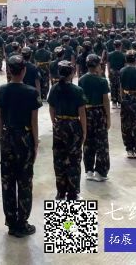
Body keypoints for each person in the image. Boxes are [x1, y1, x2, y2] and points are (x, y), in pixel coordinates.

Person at [0, 54, 41, 238]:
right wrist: (35, 143)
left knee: (7, 181)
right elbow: (34, 121)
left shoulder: (2, 90)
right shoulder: (31, 92)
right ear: (24, 71)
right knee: (24, 180)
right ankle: (22, 222)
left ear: (9, 71)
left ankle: (11, 222)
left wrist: (2, 135)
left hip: (7, 137)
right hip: (24, 137)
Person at [48, 60, 87, 200]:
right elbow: (82, 113)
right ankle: (72, 192)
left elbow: (51, 108)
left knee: (59, 158)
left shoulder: (54, 88)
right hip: (73, 125)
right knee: (74, 159)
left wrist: (55, 122)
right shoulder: (77, 90)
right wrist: (84, 131)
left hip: (59, 124)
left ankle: (60, 191)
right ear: (71, 73)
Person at [79, 54, 111, 182]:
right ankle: (100, 172)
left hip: (86, 112)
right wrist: (108, 117)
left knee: (88, 141)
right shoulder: (102, 81)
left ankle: (89, 170)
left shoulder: (81, 80)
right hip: (99, 113)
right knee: (101, 142)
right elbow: (106, 101)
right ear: (98, 65)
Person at [119, 50, 136, 159]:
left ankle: (129, 149)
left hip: (125, 98)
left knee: (126, 124)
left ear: (126, 59)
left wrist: (122, 98)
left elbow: (121, 87)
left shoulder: (122, 70)